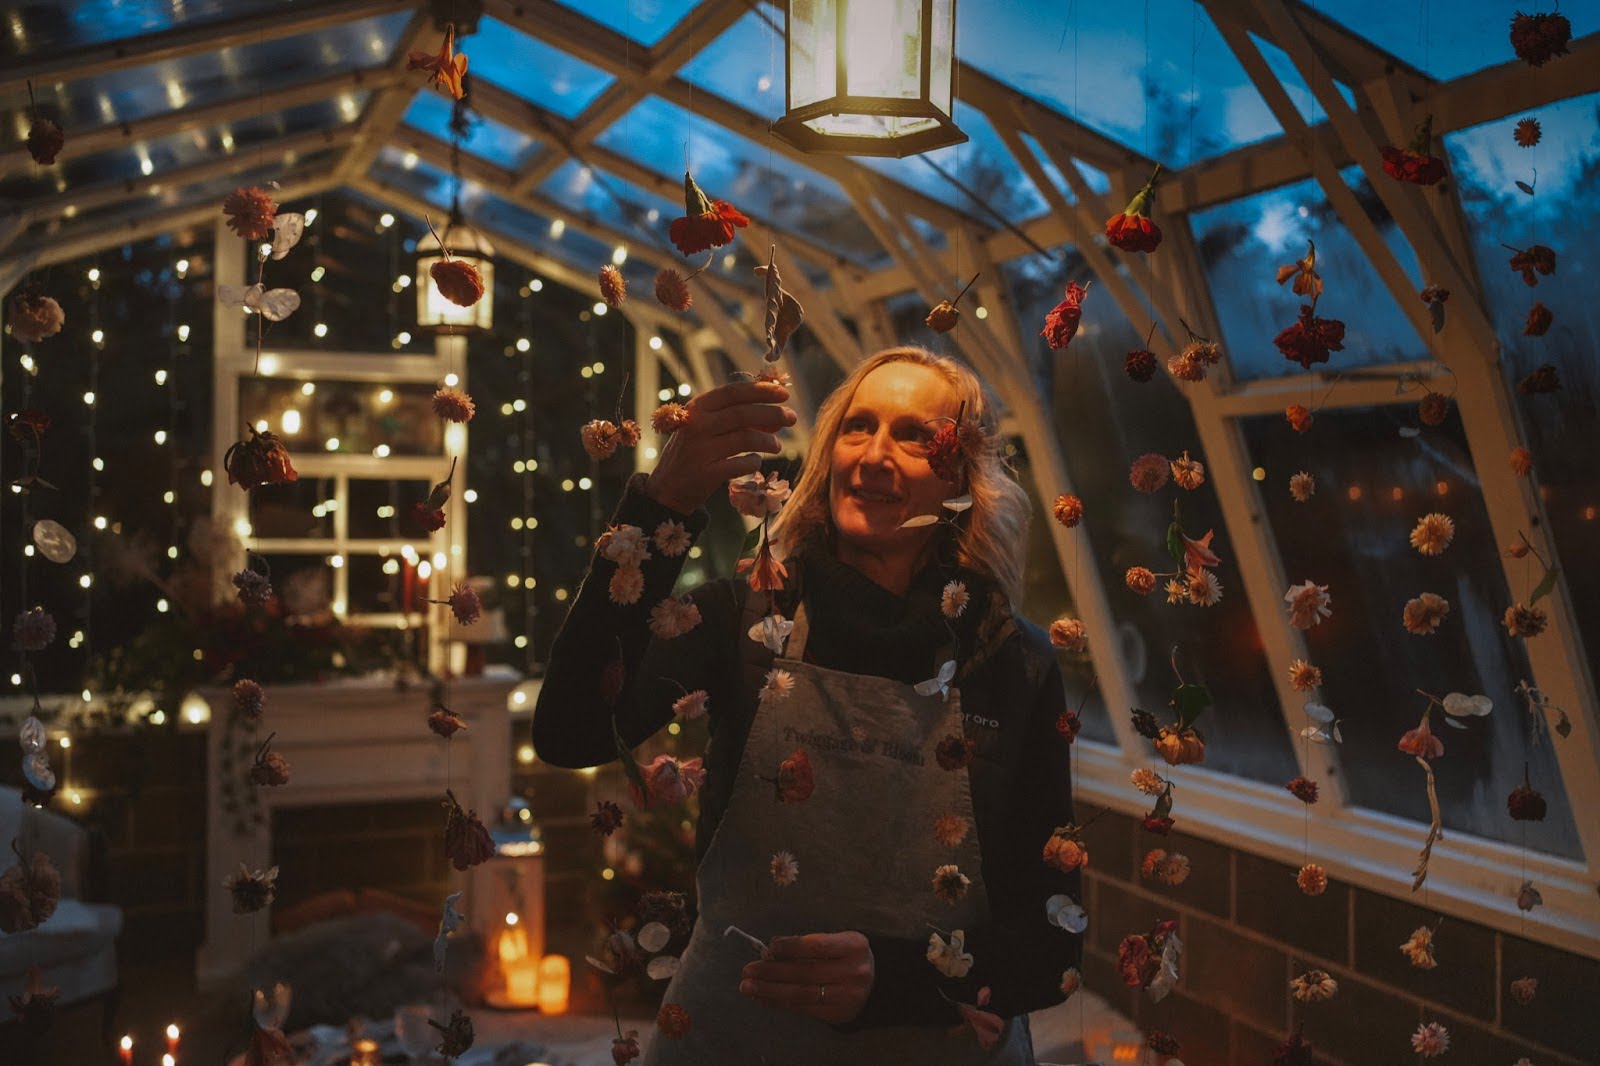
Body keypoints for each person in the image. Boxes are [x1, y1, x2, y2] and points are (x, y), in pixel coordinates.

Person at [533, 347, 1080, 1064]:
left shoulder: (1010, 660)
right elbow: (572, 732)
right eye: (859, 427)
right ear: (825, 457)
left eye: (916, 436)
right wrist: (657, 509)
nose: (875, 456)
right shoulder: (741, 619)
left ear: (965, 479)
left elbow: (1053, 940)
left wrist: (903, 982)